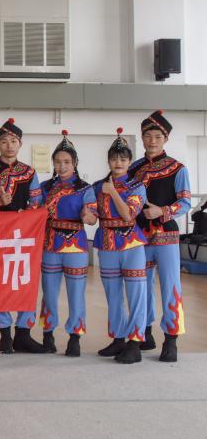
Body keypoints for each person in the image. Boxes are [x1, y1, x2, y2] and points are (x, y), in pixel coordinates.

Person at [0, 118, 45, 354]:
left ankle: (24, 333)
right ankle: (4, 334)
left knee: (26, 281)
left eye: (13, 141)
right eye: (4, 142)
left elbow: (37, 203)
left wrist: (28, 213)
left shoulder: (29, 172)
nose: (9, 146)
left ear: (20, 144)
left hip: (25, 237)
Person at [128, 110, 191, 362]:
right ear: (142, 138)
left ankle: (171, 339)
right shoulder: (133, 169)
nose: (152, 141)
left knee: (170, 286)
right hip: (140, 237)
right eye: (148, 136)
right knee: (140, 286)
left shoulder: (178, 168)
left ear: (165, 139)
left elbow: (185, 203)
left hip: (166, 237)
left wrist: (162, 211)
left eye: (157, 136)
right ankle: (144, 332)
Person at [81, 128, 148, 365]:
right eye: (114, 158)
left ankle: (135, 343)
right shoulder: (96, 186)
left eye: (123, 159)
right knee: (113, 295)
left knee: (136, 295)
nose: (118, 163)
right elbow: (92, 216)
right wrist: (86, 215)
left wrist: (112, 193)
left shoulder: (137, 186)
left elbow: (129, 214)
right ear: (108, 160)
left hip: (132, 245)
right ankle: (118, 338)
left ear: (129, 161)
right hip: (107, 243)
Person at [36, 130, 90, 357]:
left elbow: (92, 217)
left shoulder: (85, 188)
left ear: (75, 163)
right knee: (49, 293)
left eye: (66, 161)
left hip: (76, 246)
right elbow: (35, 212)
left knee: (76, 294)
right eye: (58, 161)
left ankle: (75, 337)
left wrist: (88, 215)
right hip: (50, 244)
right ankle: (47, 334)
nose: (62, 165)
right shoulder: (45, 187)